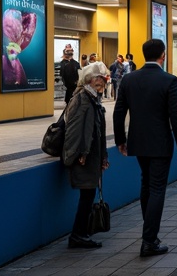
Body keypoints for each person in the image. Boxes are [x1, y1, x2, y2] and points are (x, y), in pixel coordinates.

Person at [114, 38, 177, 257]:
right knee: (157, 188)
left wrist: (121, 139)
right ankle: (149, 241)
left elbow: (119, 112)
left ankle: (150, 234)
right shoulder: (168, 80)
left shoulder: (129, 79)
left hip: (137, 142)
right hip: (160, 143)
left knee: (146, 184)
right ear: (163, 55)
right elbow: (176, 116)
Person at [63, 62, 110, 250]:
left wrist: (103, 156)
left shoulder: (92, 98)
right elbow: (74, 130)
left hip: (92, 156)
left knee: (89, 194)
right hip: (84, 157)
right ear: (90, 79)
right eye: (100, 78)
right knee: (87, 195)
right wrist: (77, 154)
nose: (104, 81)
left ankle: (81, 233)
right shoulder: (82, 98)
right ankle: (78, 235)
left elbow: (97, 129)